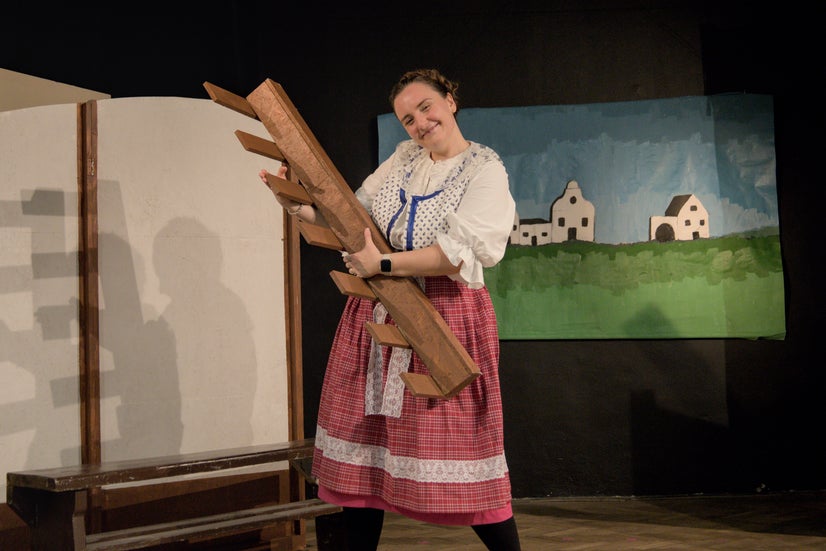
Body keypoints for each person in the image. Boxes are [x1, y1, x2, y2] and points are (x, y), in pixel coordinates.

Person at [260, 68, 521, 551]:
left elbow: (457, 253)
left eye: (426, 107)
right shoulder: (402, 160)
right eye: (407, 118)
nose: (419, 123)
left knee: (461, 451)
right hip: (375, 316)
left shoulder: (485, 170)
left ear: (450, 100)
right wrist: (297, 203)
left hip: (444, 319)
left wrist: (381, 261)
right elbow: (350, 217)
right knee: (365, 475)